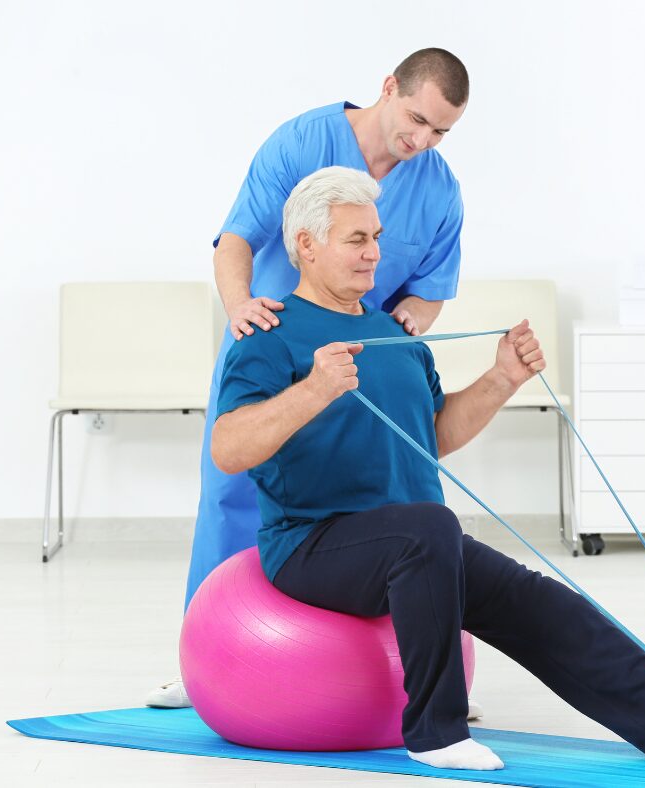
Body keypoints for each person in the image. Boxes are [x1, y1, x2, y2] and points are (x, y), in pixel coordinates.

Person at [209, 166, 645, 771]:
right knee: (432, 529)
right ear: (306, 244)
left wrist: (502, 376)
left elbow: (433, 436)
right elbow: (228, 448)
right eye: (357, 240)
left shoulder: (393, 334)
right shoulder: (268, 333)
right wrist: (312, 392)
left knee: (533, 597)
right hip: (312, 544)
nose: (374, 253)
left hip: (413, 543)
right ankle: (435, 734)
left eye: (376, 237)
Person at [147, 48, 478, 711]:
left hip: (362, 373)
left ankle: (430, 668)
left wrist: (412, 316)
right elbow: (236, 238)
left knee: (397, 500)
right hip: (273, 351)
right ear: (388, 88)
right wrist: (239, 304)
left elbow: (430, 289)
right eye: (416, 120)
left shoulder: (439, 188)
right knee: (235, 489)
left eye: (440, 131)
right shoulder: (303, 143)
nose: (422, 141)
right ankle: (206, 661)